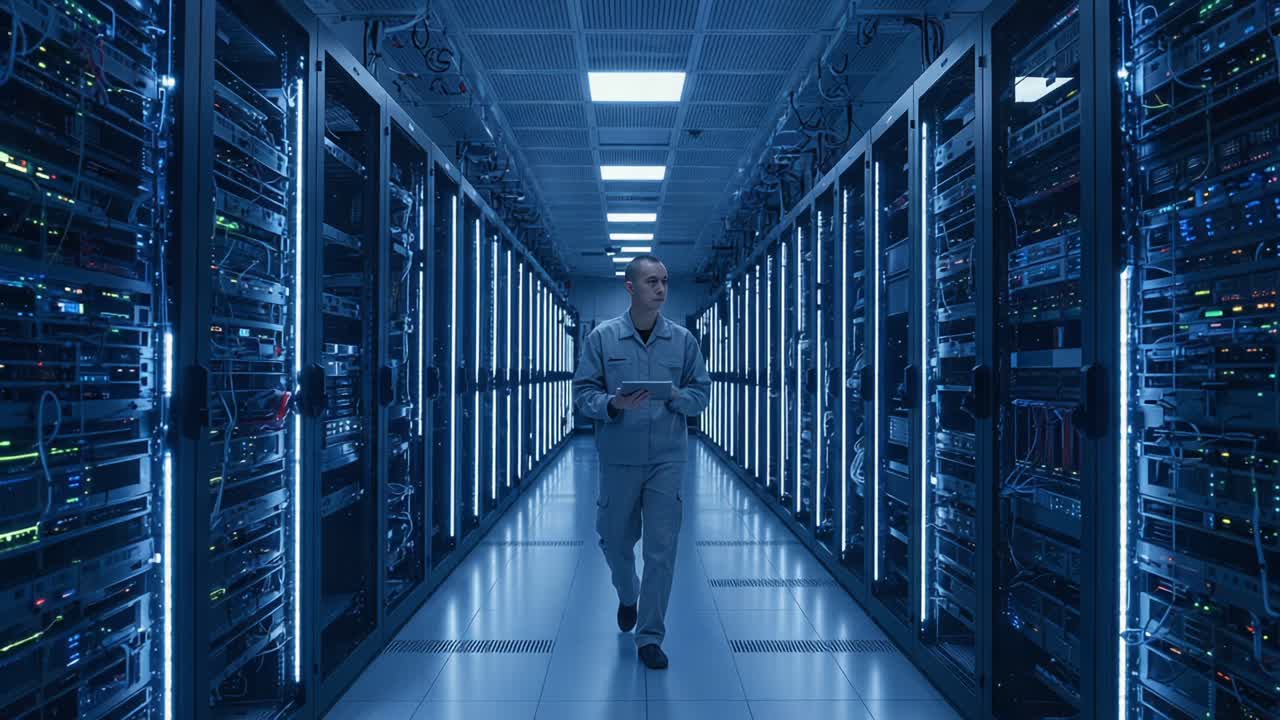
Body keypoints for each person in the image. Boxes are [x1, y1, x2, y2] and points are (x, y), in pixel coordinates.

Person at [572, 254, 711, 670]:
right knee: (613, 541)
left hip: (668, 458)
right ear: (630, 287)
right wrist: (611, 403)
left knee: (661, 550)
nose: (661, 289)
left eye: (665, 281)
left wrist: (676, 397)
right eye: (652, 282)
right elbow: (582, 394)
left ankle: (650, 636)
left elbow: (701, 394)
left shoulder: (684, 341)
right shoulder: (603, 338)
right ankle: (628, 594)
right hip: (619, 457)